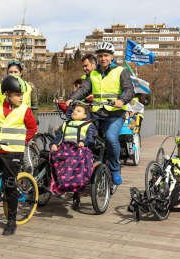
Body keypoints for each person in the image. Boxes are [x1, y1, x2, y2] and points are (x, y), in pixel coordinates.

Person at [66, 41, 134, 187]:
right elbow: (84, 89)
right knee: (84, 137)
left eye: (106, 55)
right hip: (97, 114)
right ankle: (86, 166)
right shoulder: (94, 74)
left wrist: (122, 100)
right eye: (101, 56)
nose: (103, 58)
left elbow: (129, 90)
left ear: (111, 56)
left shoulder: (121, 71)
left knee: (110, 138)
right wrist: (71, 99)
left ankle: (115, 169)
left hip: (115, 114)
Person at [0, 75, 37, 236]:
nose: (21, 97)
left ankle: (11, 220)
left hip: (14, 153)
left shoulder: (25, 110)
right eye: (17, 94)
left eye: (21, 94)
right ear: (7, 94)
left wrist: (22, 142)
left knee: (10, 186)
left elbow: (32, 128)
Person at [50, 104, 96, 209]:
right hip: (65, 148)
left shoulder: (88, 125)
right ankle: (59, 183)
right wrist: (54, 144)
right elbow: (59, 137)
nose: (75, 111)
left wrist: (84, 143)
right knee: (54, 156)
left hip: (79, 149)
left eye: (78, 111)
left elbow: (91, 139)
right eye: (74, 110)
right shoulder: (65, 124)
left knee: (74, 159)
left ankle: (69, 186)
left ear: (85, 115)